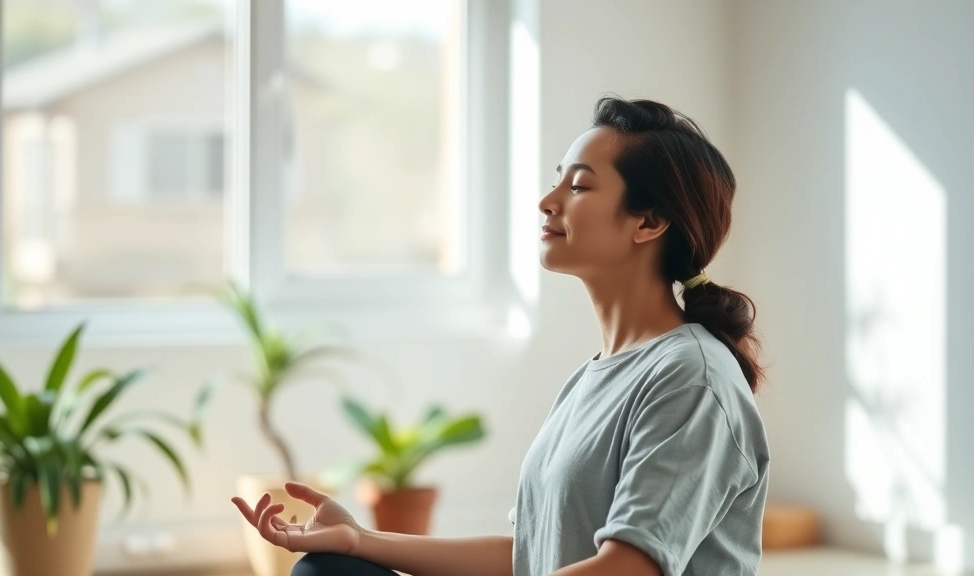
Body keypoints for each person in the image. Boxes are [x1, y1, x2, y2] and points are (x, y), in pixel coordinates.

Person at [233, 96, 770, 576]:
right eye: (558, 178)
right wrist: (360, 539)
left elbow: (626, 569)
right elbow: (524, 556)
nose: (548, 200)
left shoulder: (691, 378)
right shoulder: (595, 376)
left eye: (579, 185)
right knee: (329, 569)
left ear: (649, 222)